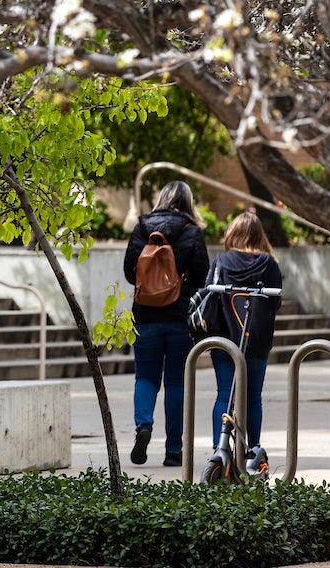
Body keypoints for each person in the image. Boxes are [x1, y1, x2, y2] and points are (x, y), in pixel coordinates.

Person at [123, 180, 209, 467]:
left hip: (145, 314)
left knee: (145, 377)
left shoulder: (142, 227)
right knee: (175, 382)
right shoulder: (191, 231)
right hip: (179, 316)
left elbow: (128, 272)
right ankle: (173, 451)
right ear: (188, 202)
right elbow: (202, 276)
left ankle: (143, 427)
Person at [205, 210, 283, 456]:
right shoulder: (269, 263)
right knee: (253, 397)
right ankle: (253, 448)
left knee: (225, 394)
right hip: (256, 340)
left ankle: (220, 448)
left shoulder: (221, 261)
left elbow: (209, 294)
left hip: (224, 338)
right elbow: (276, 301)